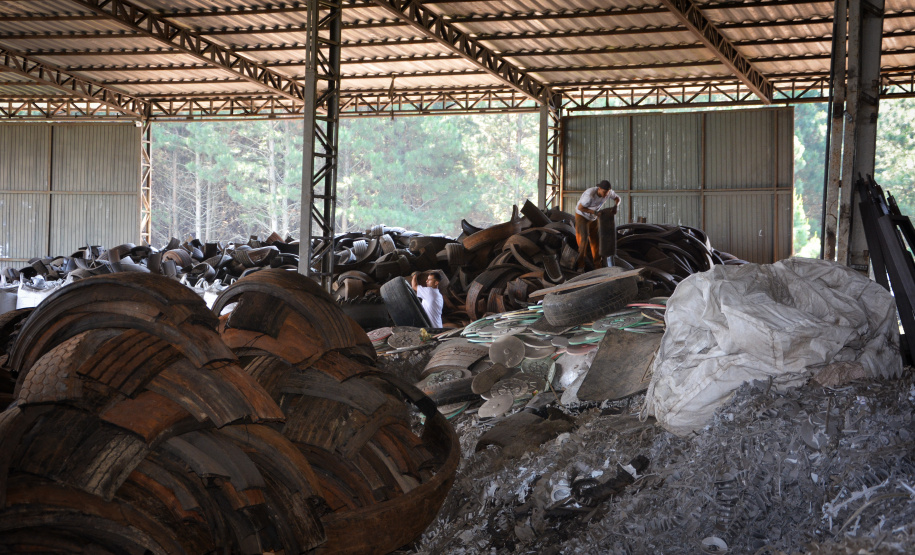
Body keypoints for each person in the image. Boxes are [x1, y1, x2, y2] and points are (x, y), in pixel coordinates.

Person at [575, 179, 620, 270]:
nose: (606, 195)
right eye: (604, 192)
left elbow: (618, 199)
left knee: (595, 240)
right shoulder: (589, 195)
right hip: (582, 215)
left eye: (607, 192)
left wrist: (616, 206)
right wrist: (594, 212)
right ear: (599, 189)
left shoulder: (608, 192)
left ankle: (597, 266)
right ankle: (580, 265)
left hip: (593, 217)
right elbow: (580, 208)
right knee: (583, 239)